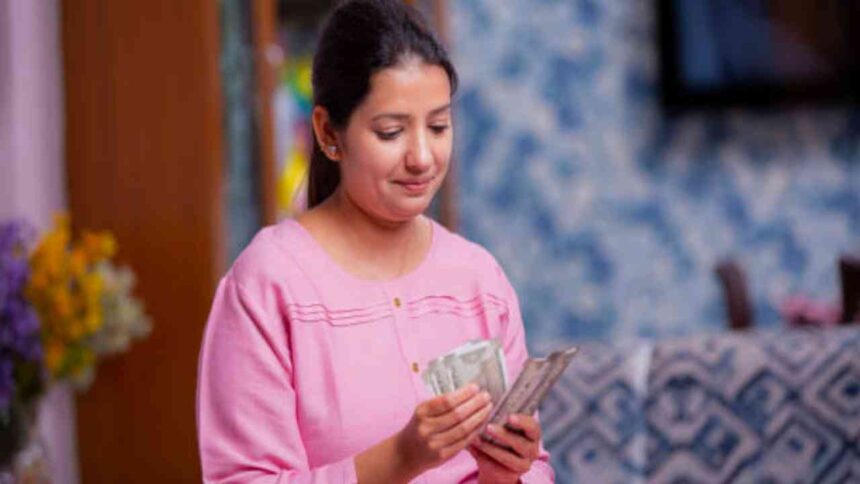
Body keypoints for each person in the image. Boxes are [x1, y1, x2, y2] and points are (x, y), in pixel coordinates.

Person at [196, 1, 554, 482]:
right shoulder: (268, 285)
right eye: (391, 132)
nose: (422, 157)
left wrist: (507, 472)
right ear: (329, 132)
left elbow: (536, 471)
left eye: (438, 126)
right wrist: (399, 459)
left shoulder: (478, 279)